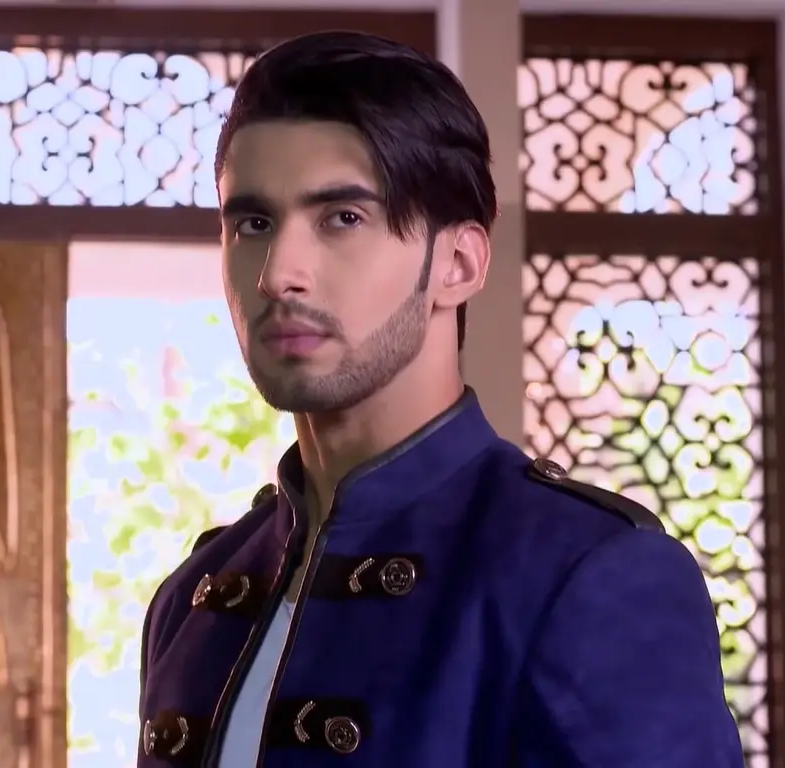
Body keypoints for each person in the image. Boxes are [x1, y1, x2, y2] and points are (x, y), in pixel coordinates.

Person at [137, 31, 744, 768]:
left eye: (342, 218)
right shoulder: (195, 599)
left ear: (457, 262)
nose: (278, 275)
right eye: (253, 224)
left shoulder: (585, 573)